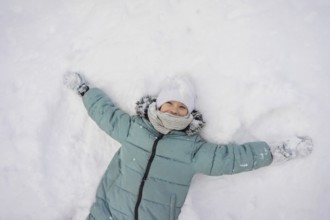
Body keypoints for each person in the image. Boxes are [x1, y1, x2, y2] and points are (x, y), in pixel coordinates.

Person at [63, 72, 313, 220]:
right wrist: (85, 91)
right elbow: (105, 115)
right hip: (108, 213)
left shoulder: (192, 150)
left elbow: (233, 159)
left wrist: (276, 152)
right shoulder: (134, 129)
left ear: (189, 114)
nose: (174, 110)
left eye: (181, 107)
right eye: (169, 104)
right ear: (157, 105)